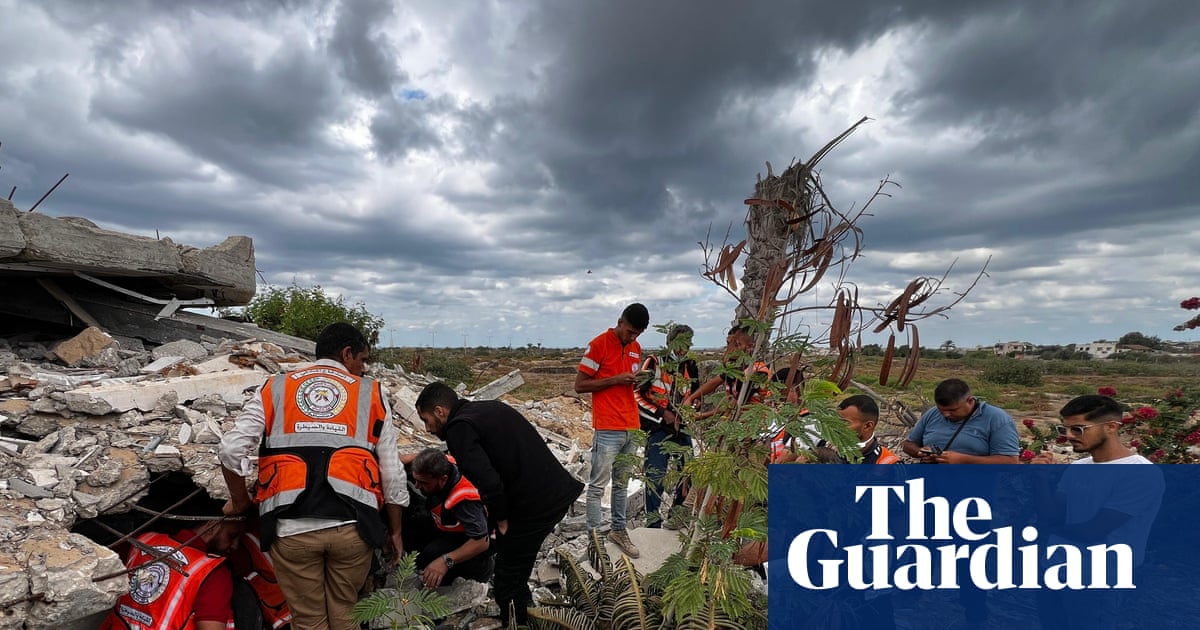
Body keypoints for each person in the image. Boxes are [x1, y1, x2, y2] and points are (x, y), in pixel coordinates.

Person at [219, 322, 409, 630]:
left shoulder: (275, 387)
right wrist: (396, 531)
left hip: (291, 530)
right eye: (362, 360)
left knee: (308, 621)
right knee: (346, 614)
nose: (363, 368)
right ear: (347, 354)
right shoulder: (370, 393)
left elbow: (230, 450)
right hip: (353, 529)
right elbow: (393, 473)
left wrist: (240, 502)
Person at [416, 382, 583, 627]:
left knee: (507, 580)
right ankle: (530, 612)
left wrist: (502, 520)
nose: (427, 428)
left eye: (426, 419)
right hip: (553, 491)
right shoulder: (487, 409)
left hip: (534, 507)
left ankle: (521, 622)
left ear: (440, 411)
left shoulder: (459, 428)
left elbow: (488, 481)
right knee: (515, 567)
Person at [1031, 395, 1164, 629]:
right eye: (1066, 428)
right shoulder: (1078, 467)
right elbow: (1052, 516)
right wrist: (1040, 481)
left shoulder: (1140, 473)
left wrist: (1044, 530)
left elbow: (1092, 532)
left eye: (1078, 429)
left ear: (1111, 427)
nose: (1068, 436)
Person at [574, 303, 648, 557]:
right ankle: (595, 540)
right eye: (629, 332)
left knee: (621, 484)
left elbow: (631, 383)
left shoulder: (636, 349)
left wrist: (639, 381)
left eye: (637, 334)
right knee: (597, 487)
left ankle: (618, 530)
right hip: (607, 427)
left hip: (631, 425)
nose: (632, 338)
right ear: (619, 322)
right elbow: (580, 385)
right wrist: (615, 380)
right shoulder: (598, 345)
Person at [101, 516, 241, 630]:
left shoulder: (144, 540)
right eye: (232, 535)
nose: (235, 545)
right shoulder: (212, 571)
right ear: (213, 526)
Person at [634, 323, 699, 528]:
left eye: (688, 343)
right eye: (681, 342)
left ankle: (676, 517)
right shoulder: (654, 362)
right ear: (669, 341)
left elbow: (696, 396)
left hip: (683, 427)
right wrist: (663, 414)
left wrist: (692, 408)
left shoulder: (690, 366)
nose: (685, 347)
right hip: (658, 428)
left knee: (687, 473)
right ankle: (653, 522)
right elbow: (636, 395)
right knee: (656, 475)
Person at [405, 448, 494, 589]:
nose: (417, 486)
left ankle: (478, 574)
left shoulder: (464, 500)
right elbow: (426, 456)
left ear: (443, 480)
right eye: (416, 480)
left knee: (430, 557)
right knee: (411, 526)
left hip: (473, 538)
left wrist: (445, 561)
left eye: (424, 483)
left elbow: (481, 542)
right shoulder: (446, 463)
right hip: (449, 525)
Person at [901, 378, 1019, 464]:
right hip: (930, 485)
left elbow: (1010, 461)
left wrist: (964, 460)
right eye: (941, 410)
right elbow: (908, 445)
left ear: (970, 401)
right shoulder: (932, 413)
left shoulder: (997, 419)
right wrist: (919, 452)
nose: (946, 414)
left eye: (952, 410)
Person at [683, 325, 772, 416]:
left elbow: (733, 407)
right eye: (728, 343)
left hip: (759, 425)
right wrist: (691, 398)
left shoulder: (756, 372)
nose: (730, 349)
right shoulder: (734, 369)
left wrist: (701, 416)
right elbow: (713, 383)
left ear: (749, 347)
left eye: (737, 345)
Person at [811, 395, 900, 464]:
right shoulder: (822, 447)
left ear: (868, 426)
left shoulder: (888, 465)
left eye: (844, 423)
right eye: (836, 421)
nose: (836, 427)